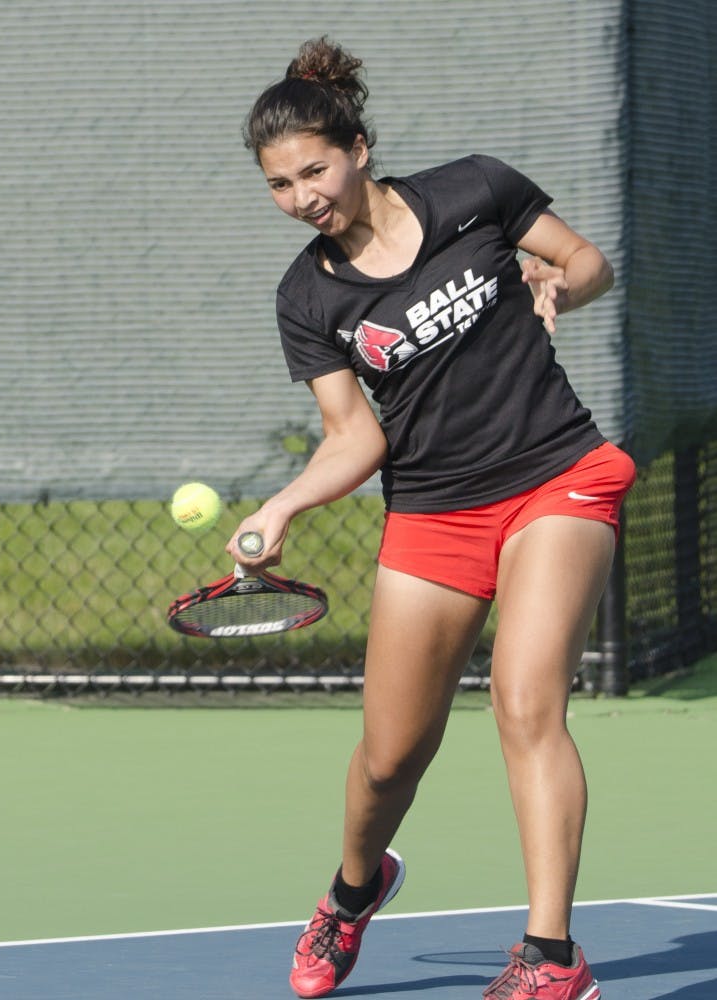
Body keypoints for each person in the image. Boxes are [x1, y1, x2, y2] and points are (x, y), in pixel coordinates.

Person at [229, 36, 635, 1000]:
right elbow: (352, 439)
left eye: (314, 171)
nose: (302, 198)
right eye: (280, 186)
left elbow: (585, 261)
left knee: (527, 700)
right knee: (386, 761)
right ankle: (352, 893)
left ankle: (549, 960)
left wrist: (558, 286)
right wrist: (282, 504)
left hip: (557, 474)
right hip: (434, 511)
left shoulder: (475, 191)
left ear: (358, 148)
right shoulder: (308, 297)